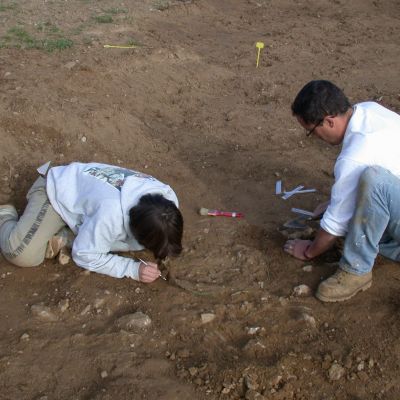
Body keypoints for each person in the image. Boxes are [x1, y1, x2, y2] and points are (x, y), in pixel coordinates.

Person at [284, 80, 400, 302]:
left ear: (328, 121)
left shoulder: (354, 156)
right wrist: (333, 203)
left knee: (374, 181)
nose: (315, 138)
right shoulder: (369, 110)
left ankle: (356, 270)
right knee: (371, 186)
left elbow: (335, 223)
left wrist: (309, 250)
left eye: (311, 132)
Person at [0, 162, 183, 283]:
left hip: (90, 204)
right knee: (21, 253)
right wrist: (133, 269)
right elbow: (84, 255)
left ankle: (66, 236)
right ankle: (5, 216)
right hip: (55, 193)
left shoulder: (167, 199)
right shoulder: (111, 214)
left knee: (120, 240)